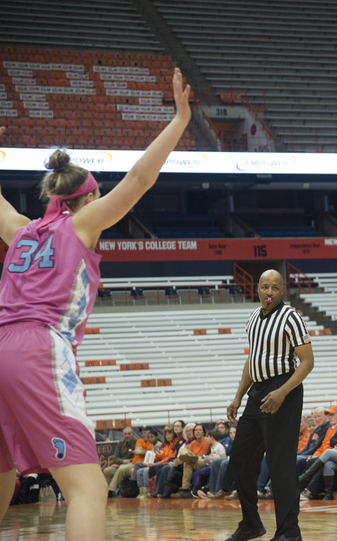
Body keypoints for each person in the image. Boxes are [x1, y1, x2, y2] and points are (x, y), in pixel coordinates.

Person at [0, 70, 189, 541]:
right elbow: (142, 178)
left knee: (3, 474)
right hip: (38, 348)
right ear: (87, 199)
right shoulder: (81, 225)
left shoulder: (19, 229)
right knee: (88, 487)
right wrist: (180, 119)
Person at [226, 269, 315, 541]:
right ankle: (251, 524)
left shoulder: (291, 318)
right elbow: (253, 359)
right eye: (264, 286)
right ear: (257, 288)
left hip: (284, 391)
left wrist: (283, 391)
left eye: (274, 288)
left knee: (280, 465)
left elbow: (307, 362)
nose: (268, 292)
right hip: (257, 392)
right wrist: (238, 395)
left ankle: (289, 532)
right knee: (240, 459)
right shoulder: (253, 317)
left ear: (282, 290)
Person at [298, 404, 337, 500]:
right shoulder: (330, 429)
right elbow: (322, 446)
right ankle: (302, 488)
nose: (330, 417)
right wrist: (314, 455)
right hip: (325, 455)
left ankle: (307, 489)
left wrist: (317, 456)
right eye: (329, 415)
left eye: (332, 415)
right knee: (311, 460)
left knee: (318, 463)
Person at [102, 427, 136, 495]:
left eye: (129, 434)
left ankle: (111, 490)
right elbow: (115, 458)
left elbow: (135, 458)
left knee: (121, 469)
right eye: (125, 434)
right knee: (107, 470)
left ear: (133, 434)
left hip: (132, 465)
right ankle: (110, 493)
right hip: (120, 465)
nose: (127, 436)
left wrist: (123, 462)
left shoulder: (137, 442)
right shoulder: (120, 443)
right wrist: (123, 461)